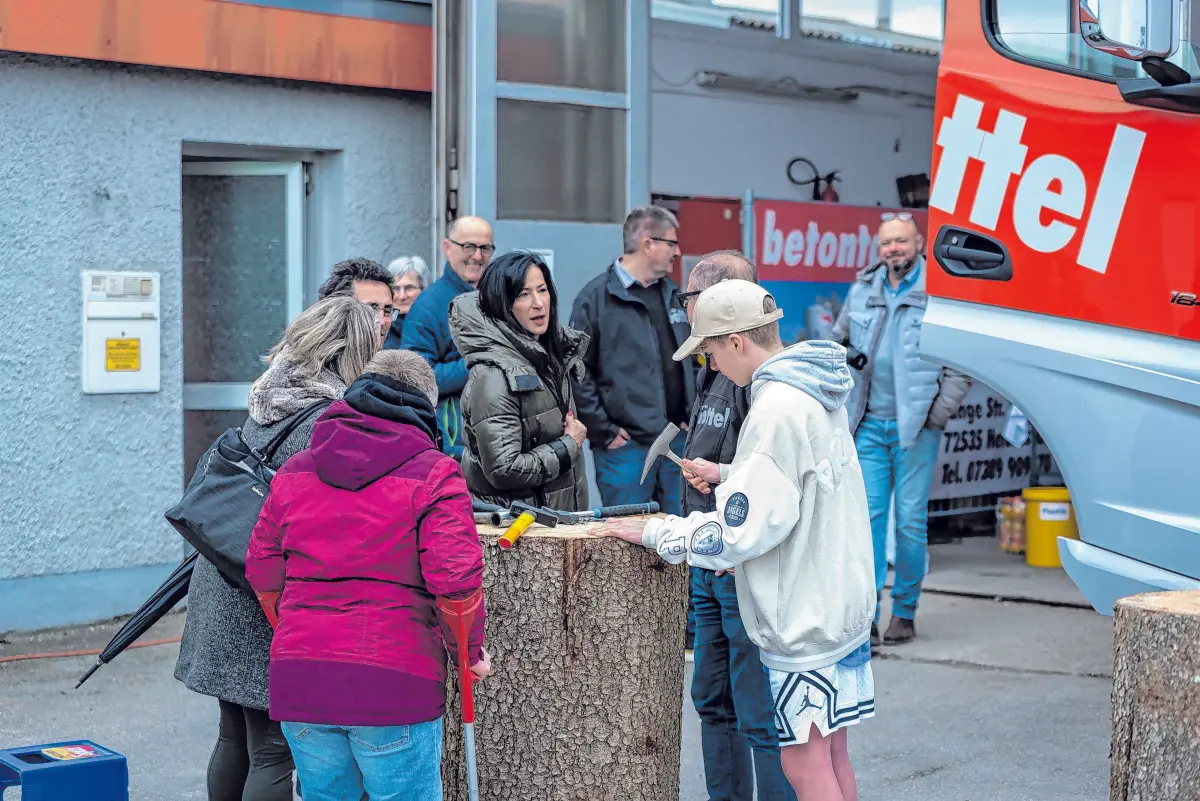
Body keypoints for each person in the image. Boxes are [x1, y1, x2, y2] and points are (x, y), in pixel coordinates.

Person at [593, 279, 875, 801]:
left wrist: (656, 531)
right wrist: (731, 475)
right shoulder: (815, 390)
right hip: (840, 600)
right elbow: (801, 485)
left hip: (804, 614)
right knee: (833, 755)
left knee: (804, 764)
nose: (714, 367)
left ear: (737, 341)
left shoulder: (773, 409)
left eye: (711, 353)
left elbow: (738, 534)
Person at [245, 349, 490, 801]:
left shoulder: (295, 471)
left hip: (303, 678)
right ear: (426, 407)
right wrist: (468, 654)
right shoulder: (436, 474)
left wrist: (294, 632)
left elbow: (262, 571)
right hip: (395, 682)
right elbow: (455, 582)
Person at [175, 295, 380, 801]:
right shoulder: (328, 421)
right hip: (267, 596)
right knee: (272, 749)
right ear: (350, 353)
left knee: (233, 738)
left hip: (224, 578)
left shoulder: (268, 397)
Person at [679, 252, 794, 801]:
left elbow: (771, 483)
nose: (687, 311)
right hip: (709, 556)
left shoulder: (761, 382)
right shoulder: (714, 366)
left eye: (691, 299)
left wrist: (725, 482)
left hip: (741, 565)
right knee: (712, 699)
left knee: (757, 711)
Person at [831, 213, 971, 647]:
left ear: (919, 243)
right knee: (868, 523)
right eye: (887, 242)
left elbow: (960, 363)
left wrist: (937, 415)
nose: (894, 249)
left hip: (916, 429)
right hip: (868, 425)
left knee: (910, 523)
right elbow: (837, 341)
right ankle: (867, 617)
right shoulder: (862, 290)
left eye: (902, 241)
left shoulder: (939, 294)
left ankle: (905, 612)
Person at [570, 205, 696, 514]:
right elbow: (577, 371)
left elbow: (691, 357)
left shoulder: (672, 293)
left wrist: (690, 412)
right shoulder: (595, 298)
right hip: (625, 450)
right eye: (672, 243)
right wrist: (604, 431)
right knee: (629, 537)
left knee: (680, 533)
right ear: (648, 243)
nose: (678, 252)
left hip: (677, 443)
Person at [450, 250, 590, 511]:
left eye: (542, 290)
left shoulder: (552, 356)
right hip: (517, 528)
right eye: (523, 294)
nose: (538, 303)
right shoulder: (493, 375)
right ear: (502, 304)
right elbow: (504, 469)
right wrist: (568, 446)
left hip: (556, 521)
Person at [401, 216, 496, 460]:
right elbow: (417, 380)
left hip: (496, 440)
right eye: (468, 247)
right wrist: (479, 362)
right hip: (455, 446)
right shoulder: (428, 307)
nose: (477, 256)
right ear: (447, 247)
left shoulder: (499, 297)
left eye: (485, 248)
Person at [317, 257, 396, 345]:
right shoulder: (313, 352)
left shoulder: (395, 349)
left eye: (387, 311)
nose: (382, 321)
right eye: (371, 310)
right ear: (338, 312)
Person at [383, 255, 432, 348]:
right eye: (396, 289)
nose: (402, 296)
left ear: (424, 289)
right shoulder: (379, 329)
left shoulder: (436, 326)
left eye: (409, 288)